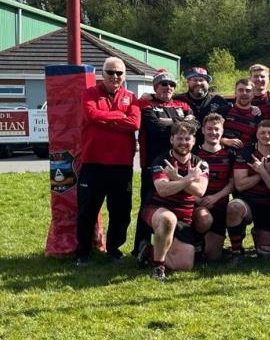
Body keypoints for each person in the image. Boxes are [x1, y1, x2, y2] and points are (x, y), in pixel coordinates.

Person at [75, 57, 141, 265]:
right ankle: (83, 252)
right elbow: (92, 115)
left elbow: (135, 123)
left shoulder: (131, 97)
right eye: (110, 72)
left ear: (124, 76)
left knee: (121, 212)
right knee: (87, 211)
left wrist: (107, 118)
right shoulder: (89, 93)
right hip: (93, 163)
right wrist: (120, 117)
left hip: (121, 165)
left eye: (119, 73)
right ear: (102, 74)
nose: (114, 76)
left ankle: (114, 249)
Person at [132, 69, 194, 257]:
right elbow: (155, 127)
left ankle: (180, 247)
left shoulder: (182, 103)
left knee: (183, 205)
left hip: (181, 163)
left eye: (171, 84)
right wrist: (181, 120)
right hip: (152, 164)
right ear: (155, 87)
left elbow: (194, 127)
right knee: (148, 205)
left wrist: (169, 121)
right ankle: (141, 247)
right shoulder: (145, 103)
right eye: (163, 84)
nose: (168, 87)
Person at [138, 121, 209, 281]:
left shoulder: (200, 163)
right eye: (180, 138)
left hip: (185, 218)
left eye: (187, 139)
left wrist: (176, 178)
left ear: (194, 141)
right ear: (172, 140)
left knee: (184, 266)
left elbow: (200, 191)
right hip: (157, 210)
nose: (183, 143)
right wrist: (189, 180)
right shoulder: (162, 161)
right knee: (168, 219)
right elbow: (163, 190)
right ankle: (158, 266)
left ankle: (149, 250)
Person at [228, 120, 270, 263]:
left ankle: (257, 233)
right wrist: (261, 173)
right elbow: (240, 185)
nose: (266, 136)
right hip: (247, 202)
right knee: (233, 206)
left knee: (266, 255)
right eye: (262, 132)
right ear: (256, 134)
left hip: (268, 205)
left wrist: (262, 172)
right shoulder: (245, 152)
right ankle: (237, 252)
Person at [193, 113, 236, 262]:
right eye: (209, 129)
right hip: (198, 204)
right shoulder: (194, 154)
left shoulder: (229, 155)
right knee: (203, 218)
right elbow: (185, 183)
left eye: (217, 129)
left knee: (213, 257)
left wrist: (216, 197)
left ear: (222, 131)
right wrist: (199, 200)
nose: (213, 132)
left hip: (219, 205)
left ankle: (206, 246)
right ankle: (196, 244)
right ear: (203, 130)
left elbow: (232, 183)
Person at [174, 67, 231, 146]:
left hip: (211, 148)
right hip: (184, 147)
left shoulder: (218, 100)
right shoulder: (177, 100)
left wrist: (224, 139)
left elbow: (230, 122)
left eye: (201, 80)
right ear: (188, 82)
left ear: (208, 83)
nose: (198, 83)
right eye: (194, 80)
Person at [221, 78, 261, 150]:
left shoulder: (257, 116)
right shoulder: (224, 111)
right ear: (235, 92)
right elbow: (209, 133)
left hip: (246, 157)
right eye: (240, 90)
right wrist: (224, 141)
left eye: (248, 91)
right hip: (223, 156)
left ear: (253, 94)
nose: (244, 93)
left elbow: (259, 141)